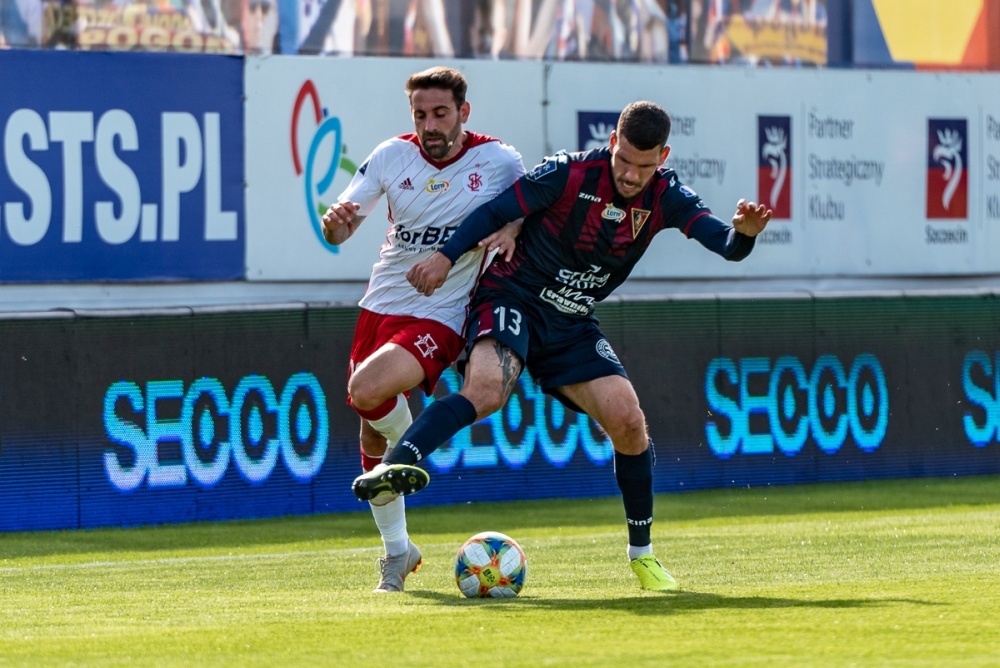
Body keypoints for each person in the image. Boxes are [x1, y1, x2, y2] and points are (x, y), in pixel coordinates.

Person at [351, 100, 771, 592]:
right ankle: (398, 463)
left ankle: (643, 556)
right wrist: (446, 256)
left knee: (628, 421)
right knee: (486, 390)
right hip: (512, 296)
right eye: (624, 160)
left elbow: (725, 243)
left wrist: (744, 237)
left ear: (663, 156)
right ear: (612, 142)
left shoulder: (667, 195)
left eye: (644, 166)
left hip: (571, 321)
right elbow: (497, 211)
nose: (630, 175)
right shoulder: (569, 173)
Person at [321, 66, 524, 592]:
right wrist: (335, 225)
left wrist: (511, 226)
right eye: (420, 115)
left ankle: (407, 447)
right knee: (370, 425)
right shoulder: (392, 155)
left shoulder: (497, 160)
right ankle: (398, 553)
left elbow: (529, 206)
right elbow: (343, 226)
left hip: (442, 311)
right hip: (380, 303)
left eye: (440, 113)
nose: (430, 125)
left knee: (367, 390)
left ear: (463, 112)